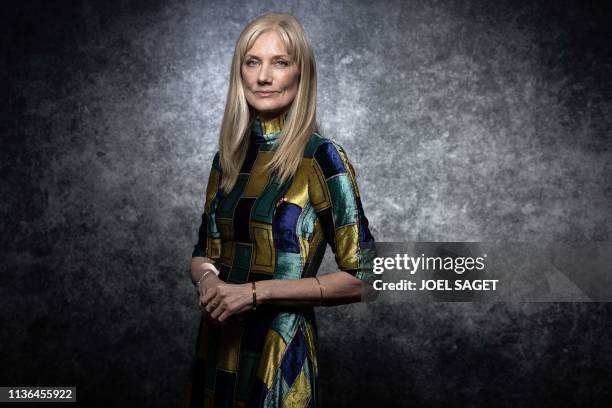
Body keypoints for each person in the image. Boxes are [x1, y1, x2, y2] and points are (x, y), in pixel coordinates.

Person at [186, 12, 377, 408]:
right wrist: (208, 283)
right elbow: (204, 251)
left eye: (280, 62)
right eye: (252, 61)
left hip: (278, 348)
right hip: (218, 344)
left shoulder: (321, 158)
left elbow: (366, 277)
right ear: (239, 72)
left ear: (300, 73)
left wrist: (256, 294)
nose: (263, 77)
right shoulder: (227, 159)